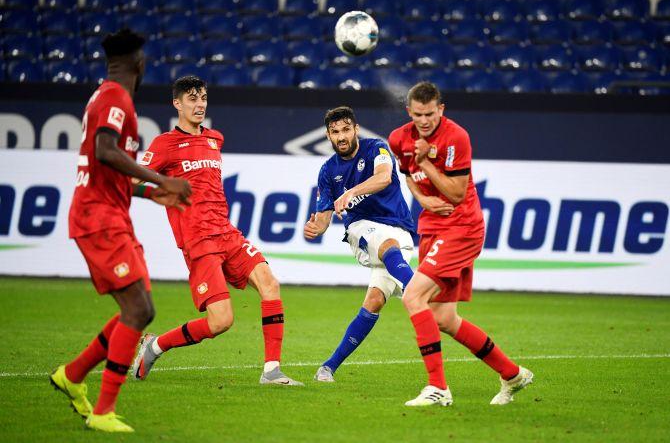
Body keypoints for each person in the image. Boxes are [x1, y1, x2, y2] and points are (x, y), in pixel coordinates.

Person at [50, 29, 192, 433]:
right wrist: (163, 180)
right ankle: (102, 411)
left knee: (140, 306)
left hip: (110, 214)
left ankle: (73, 375)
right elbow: (104, 150)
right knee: (139, 310)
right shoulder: (114, 97)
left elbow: (111, 171)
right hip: (98, 218)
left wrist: (150, 192)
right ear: (138, 62)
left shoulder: (105, 96)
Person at [130, 76, 302, 386]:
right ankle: (155, 346)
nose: (199, 105)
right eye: (192, 99)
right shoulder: (164, 144)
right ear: (177, 103)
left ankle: (272, 371)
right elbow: (131, 183)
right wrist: (157, 192)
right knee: (221, 321)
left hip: (227, 232)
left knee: (269, 284)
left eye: (203, 98)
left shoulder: (214, 139)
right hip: (199, 240)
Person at [388, 81, 534, 407]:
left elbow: (456, 193)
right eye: (418, 114)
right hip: (431, 229)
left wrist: (426, 162)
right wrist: (423, 197)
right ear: (409, 112)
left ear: (441, 109)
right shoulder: (399, 139)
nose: (424, 120)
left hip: (462, 228)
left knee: (412, 296)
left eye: (430, 113)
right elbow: (407, 176)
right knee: (443, 319)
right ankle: (512, 374)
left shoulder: (456, 137)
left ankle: (437, 387)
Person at [304, 106, 423, 382]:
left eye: (346, 130)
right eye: (335, 132)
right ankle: (420, 291)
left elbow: (384, 177)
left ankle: (328, 367)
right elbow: (322, 220)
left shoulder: (376, 149)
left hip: (402, 233)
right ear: (328, 136)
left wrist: (352, 192)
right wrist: (315, 228)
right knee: (387, 244)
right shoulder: (327, 171)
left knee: (373, 302)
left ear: (356, 129)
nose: (341, 136)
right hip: (362, 232)